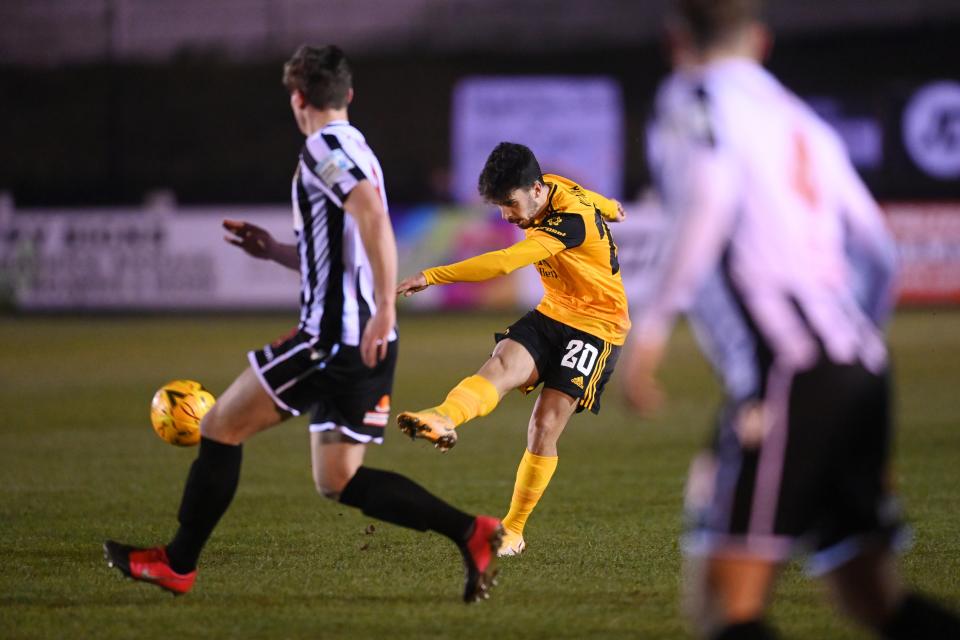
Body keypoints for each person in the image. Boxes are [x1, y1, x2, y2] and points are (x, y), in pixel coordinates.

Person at [103, 44, 502, 604]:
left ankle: (177, 563)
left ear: (297, 98)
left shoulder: (322, 147)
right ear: (349, 95)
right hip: (370, 343)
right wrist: (274, 251)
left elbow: (370, 215)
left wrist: (385, 304)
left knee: (218, 426)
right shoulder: (356, 144)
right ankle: (472, 532)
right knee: (338, 479)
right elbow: (342, 246)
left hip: (332, 340)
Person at [623, 1, 960, 638]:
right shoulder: (801, 121)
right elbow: (879, 251)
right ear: (761, 41)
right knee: (870, 594)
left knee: (725, 607)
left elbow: (711, 195)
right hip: (856, 363)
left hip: (790, 373)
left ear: (675, 40)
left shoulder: (692, 97)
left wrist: (653, 328)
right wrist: (854, 365)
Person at [396, 142, 631, 557]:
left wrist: (432, 275)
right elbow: (594, 199)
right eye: (500, 206)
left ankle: (514, 530)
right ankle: (442, 418)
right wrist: (611, 207)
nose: (506, 215)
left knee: (544, 425)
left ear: (537, 191)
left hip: (597, 327)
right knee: (501, 364)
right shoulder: (553, 186)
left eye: (510, 203)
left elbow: (504, 263)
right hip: (554, 312)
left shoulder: (568, 222)